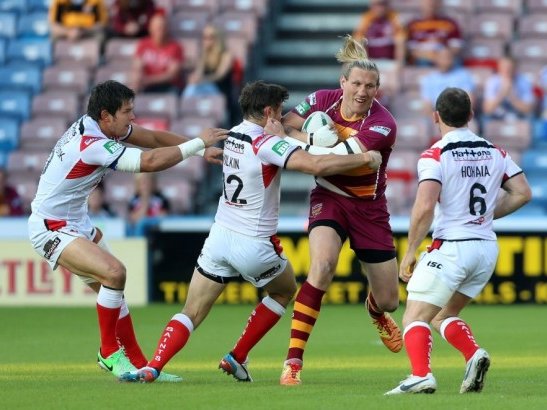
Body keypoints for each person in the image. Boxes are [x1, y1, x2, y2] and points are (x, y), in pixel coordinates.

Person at [118, 80, 383, 383]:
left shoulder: (233, 134)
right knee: (284, 291)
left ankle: (154, 366)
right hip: (254, 241)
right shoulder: (266, 143)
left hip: (219, 236)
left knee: (191, 310)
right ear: (269, 111)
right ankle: (237, 355)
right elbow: (314, 165)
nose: (282, 117)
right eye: (280, 110)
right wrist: (363, 158)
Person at [27, 80, 227, 382]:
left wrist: (201, 151)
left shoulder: (100, 126)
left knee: (113, 293)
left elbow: (154, 138)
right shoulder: (92, 145)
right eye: (127, 112)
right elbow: (148, 161)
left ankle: (142, 365)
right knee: (115, 274)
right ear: (106, 115)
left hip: (76, 221)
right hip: (50, 226)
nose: (132, 118)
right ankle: (108, 353)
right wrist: (197, 142)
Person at [385, 87, 532, 395]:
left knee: (414, 314)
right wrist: (485, 215)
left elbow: (425, 206)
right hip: (485, 249)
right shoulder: (496, 151)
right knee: (442, 315)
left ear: (435, 117)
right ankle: (474, 354)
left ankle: (420, 375)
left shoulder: (435, 154)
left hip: (452, 246)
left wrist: (411, 250)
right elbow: (522, 193)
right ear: (471, 116)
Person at [277, 35, 402, 386]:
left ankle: (375, 311)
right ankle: (293, 362)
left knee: (391, 301)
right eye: (357, 84)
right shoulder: (321, 100)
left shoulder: (383, 123)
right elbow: (285, 127)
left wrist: (312, 147)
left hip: (369, 208)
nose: (363, 92)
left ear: (378, 89)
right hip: (328, 197)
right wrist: (316, 142)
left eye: (371, 86)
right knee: (322, 266)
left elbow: (344, 157)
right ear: (343, 82)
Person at [182, 24, 239, 126]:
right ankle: (185, 115)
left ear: (218, 38)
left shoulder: (226, 54)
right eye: (204, 37)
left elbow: (219, 75)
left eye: (210, 37)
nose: (206, 40)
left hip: (221, 91)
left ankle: (184, 110)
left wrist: (202, 80)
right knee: (192, 86)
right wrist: (194, 78)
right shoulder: (204, 54)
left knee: (194, 87)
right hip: (206, 89)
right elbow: (199, 72)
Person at [131, 10, 184, 93]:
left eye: (163, 27)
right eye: (157, 28)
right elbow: (137, 66)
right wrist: (138, 77)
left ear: (167, 29)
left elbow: (172, 75)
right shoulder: (143, 44)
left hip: (168, 87)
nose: (160, 30)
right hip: (147, 86)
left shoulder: (175, 47)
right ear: (150, 29)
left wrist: (148, 80)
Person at [420, 46, 475, 118]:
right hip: (437, 117)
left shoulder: (464, 75)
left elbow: (470, 101)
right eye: (442, 57)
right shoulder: (429, 79)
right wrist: (437, 120)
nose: (445, 60)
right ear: (436, 59)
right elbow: (427, 105)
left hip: (458, 116)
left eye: (448, 57)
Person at [405, 0, 463, 67]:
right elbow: (411, 51)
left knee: (455, 61)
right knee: (422, 63)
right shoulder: (413, 24)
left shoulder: (450, 23)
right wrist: (432, 56)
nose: (431, 4)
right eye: (428, 1)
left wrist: (444, 56)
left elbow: (456, 47)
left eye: (434, 1)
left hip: (444, 57)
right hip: (422, 58)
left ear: (440, 3)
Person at [481, 55, 536, 122]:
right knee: (485, 119)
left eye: (509, 67)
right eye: (504, 67)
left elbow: (529, 108)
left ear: (515, 69)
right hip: (497, 117)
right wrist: (502, 93)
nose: (506, 70)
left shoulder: (524, 81)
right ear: (499, 68)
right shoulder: (492, 81)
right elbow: (487, 109)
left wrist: (511, 96)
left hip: (519, 116)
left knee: (532, 120)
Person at [352, 0, 406, 65]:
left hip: (390, 62)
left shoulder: (394, 17)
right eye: (377, 4)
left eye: (383, 4)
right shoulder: (365, 18)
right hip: (370, 61)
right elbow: (358, 42)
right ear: (371, 5)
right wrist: (366, 65)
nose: (380, 8)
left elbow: (400, 43)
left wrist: (398, 66)